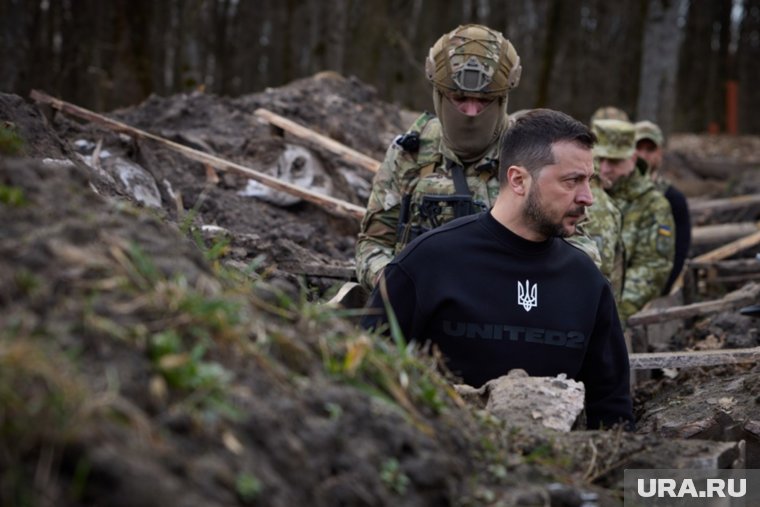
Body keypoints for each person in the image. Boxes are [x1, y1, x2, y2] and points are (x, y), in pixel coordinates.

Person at [362, 109, 634, 430]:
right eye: (572, 181)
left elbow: (612, 410)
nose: (587, 197)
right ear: (518, 180)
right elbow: (366, 377)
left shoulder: (586, 282)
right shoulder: (428, 263)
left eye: (588, 181)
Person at [355, 24, 601, 291]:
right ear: (439, 95)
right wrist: (393, 283)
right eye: (459, 98)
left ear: (502, 99)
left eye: (483, 101)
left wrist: (527, 285)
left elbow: (581, 248)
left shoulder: (533, 153)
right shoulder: (409, 153)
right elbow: (373, 243)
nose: (471, 112)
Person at [594, 119, 675, 322]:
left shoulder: (652, 204)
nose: (604, 169)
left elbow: (652, 269)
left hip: (615, 313)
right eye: (599, 159)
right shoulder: (583, 195)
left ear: (632, 159)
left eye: (614, 162)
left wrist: (613, 313)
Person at [635, 120, 691, 294]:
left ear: (660, 153)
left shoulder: (673, 198)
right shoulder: (615, 192)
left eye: (650, 149)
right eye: (639, 148)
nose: (644, 155)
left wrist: (662, 289)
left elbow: (680, 249)